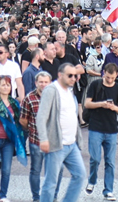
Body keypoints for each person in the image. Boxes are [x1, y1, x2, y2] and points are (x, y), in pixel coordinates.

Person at [37, 62, 86, 202]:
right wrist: (44, 139)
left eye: (75, 76)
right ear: (60, 75)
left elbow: (73, 116)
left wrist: (78, 139)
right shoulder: (51, 90)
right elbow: (41, 116)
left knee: (80, 175)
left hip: (71, 144)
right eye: (70, 75)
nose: (73, 78)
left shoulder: (69, 91)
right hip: (56, 143)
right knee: (51, 182)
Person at [83, 63, 118, 201]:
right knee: (95, 159)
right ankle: (92, 180)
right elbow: (87, 104)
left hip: (111, 128)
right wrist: (101, 104)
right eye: (107, 77)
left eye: (112, 77)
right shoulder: (95, 85)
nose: (110, 80)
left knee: (110, 161)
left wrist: (113, 107)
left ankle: (108, 190)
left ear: (116, 75)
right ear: (103, 73)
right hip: (96, 126)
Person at [20, 71, 52, 202]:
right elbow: (23, 119)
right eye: (41, 82)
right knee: (35, 170)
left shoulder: (55, 96)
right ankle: (36, 198)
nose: (43, 84)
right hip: (36, 140)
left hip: (52, 141)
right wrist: (32, 129)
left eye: (46, 82)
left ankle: (50, 196)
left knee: (53, 171)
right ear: (36, 83)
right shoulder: (29, 98)